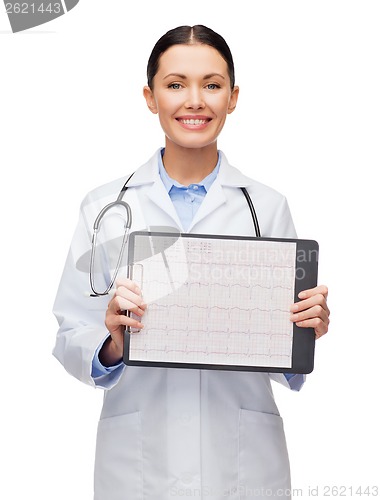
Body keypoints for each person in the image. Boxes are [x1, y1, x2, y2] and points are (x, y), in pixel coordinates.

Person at [53, 25, 330, 500]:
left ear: (233, 97)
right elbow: (70, 333)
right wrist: (113, 344)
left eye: (213, 84)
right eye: (176, 84)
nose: (195, 100)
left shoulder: (265, 207)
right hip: (138, 464)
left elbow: (283, 354)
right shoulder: (105, 208)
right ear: (150, 96)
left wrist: (304, 331)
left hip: (242, 462)